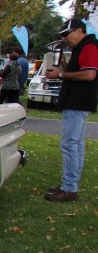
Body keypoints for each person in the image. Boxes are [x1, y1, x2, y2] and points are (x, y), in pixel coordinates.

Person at [43, 18, 98, 202]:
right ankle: (69, 185)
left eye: (67, 34)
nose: (65, 38)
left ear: (79, 31)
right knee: (76, 144)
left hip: (77, 102)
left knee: (69, 144)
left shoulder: (89, 46)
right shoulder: (82, 47)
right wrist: (64, 70)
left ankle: (69, 188)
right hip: (79, 102)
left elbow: (90, 74)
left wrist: (61, 74)